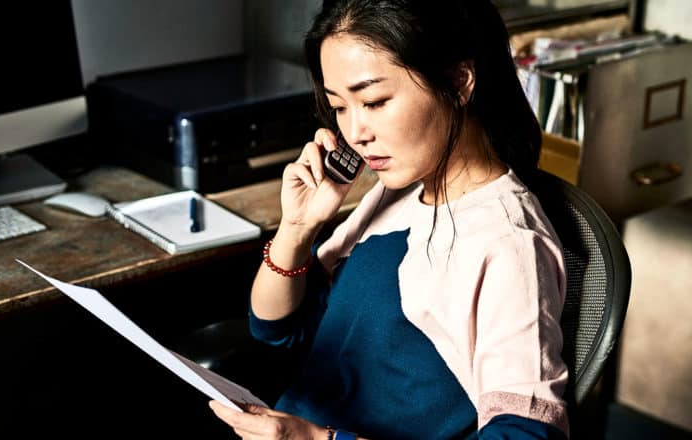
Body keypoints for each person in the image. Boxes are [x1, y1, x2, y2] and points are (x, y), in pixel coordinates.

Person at [209, 0, 569, 439]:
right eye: (339, 107)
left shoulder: (507, 244)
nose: (356, 133)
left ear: (459, 82)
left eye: (375, 102)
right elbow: (277, 330)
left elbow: (526, 435)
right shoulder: (401, 189)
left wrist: (314, 438)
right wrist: (297, 229)